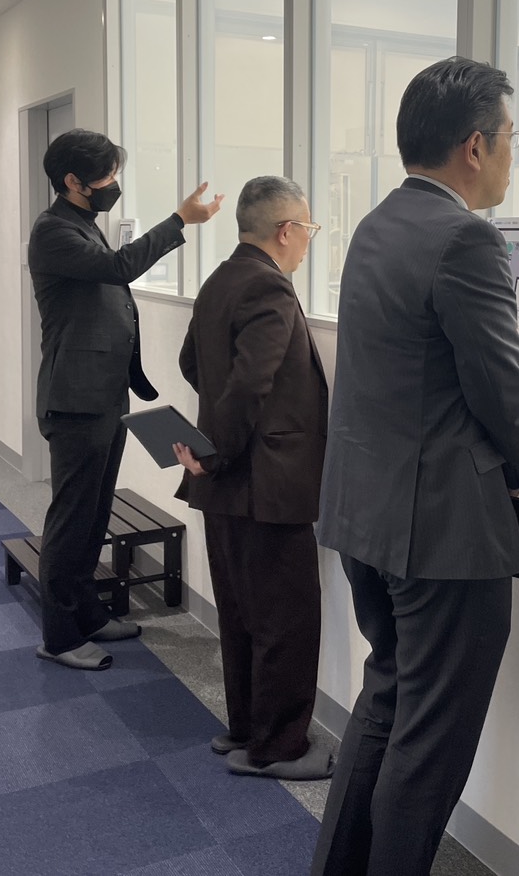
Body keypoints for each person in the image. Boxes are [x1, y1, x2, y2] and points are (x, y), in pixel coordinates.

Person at [312, 57, 519, 876]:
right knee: (430, 744)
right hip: (441, 534)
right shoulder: (465, 238)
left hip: (365, 516)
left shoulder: (376, 224)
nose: (512, 153)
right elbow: (503, 392)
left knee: (387, 702)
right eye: (511, 136)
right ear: (475, 146)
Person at [28, 128, 222, 671]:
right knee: (72, 520)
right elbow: (117, 269)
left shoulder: (81, 223)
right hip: (75, 400)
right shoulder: (52, 231)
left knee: (95, 516)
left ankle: (87, 615)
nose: (115, 183)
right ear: (73, 180)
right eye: (108, 175)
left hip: (103, 394)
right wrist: (179, 220)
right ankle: (60, 636)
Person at [173, 175, 332, 781]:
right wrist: (220, 450)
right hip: (267, 484)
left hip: (225, 486)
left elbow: (193, 363)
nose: (310, 240)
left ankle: (244, 727)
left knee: (241, 613)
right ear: (286, 231)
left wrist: (213, 446)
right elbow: (249, 384)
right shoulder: (270, 287)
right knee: (287, 621)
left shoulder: (220, 279)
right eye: (309, 229)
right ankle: (277, 747)